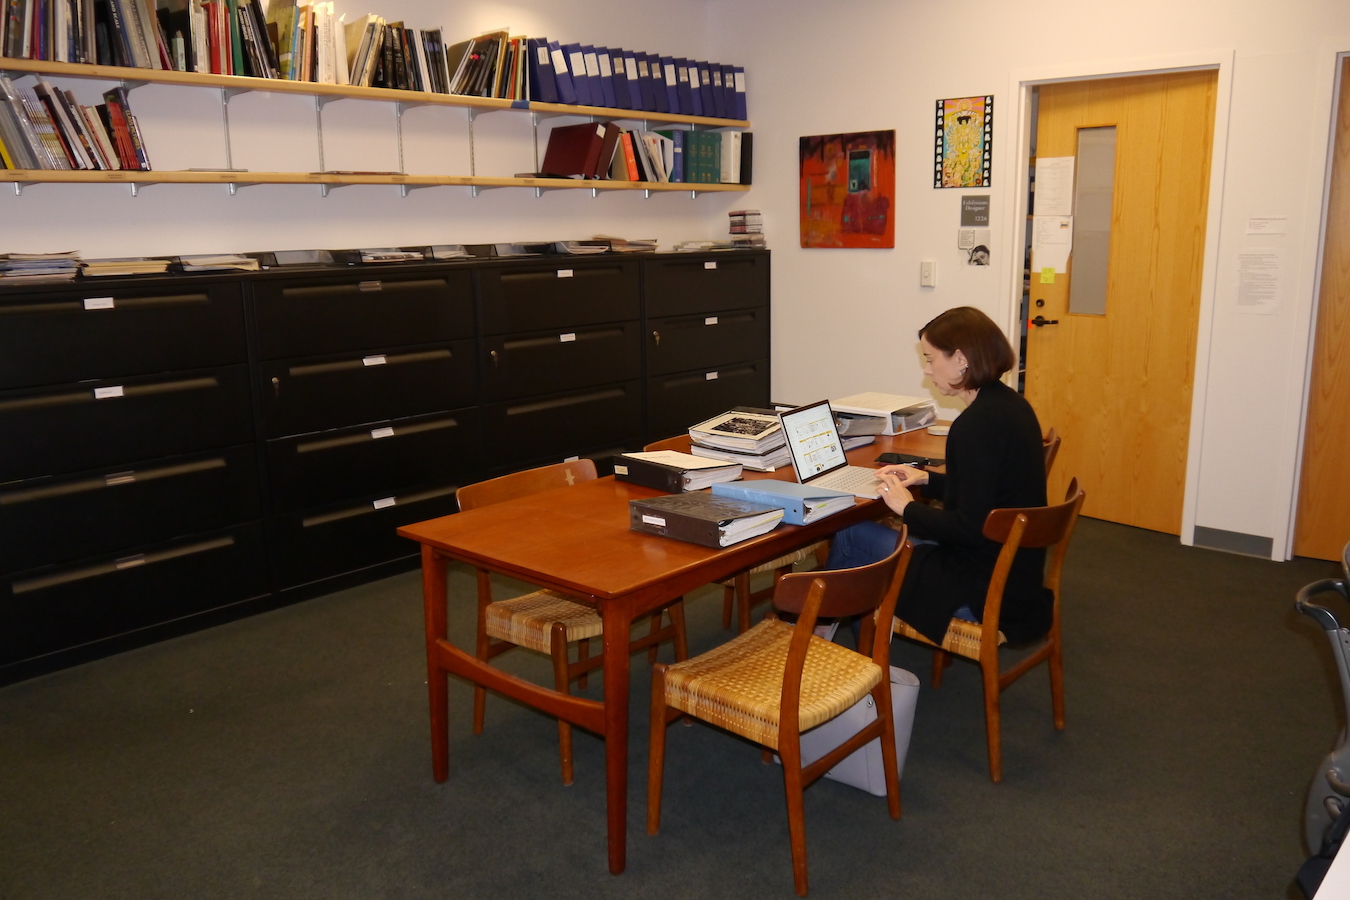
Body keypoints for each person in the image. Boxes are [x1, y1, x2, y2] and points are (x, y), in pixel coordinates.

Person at [826, 306, 1052, 645]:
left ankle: (823, 634)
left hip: (983, 588)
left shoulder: (975, 426)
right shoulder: (1012, 406)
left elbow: (969, 528)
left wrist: (908, 508)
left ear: (960, 358)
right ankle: (848, 640)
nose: (927, 371)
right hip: (1016, 577)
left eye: (931, 360)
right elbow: (989, 492)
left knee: (851, 536)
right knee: (868, 548)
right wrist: (926, 480)